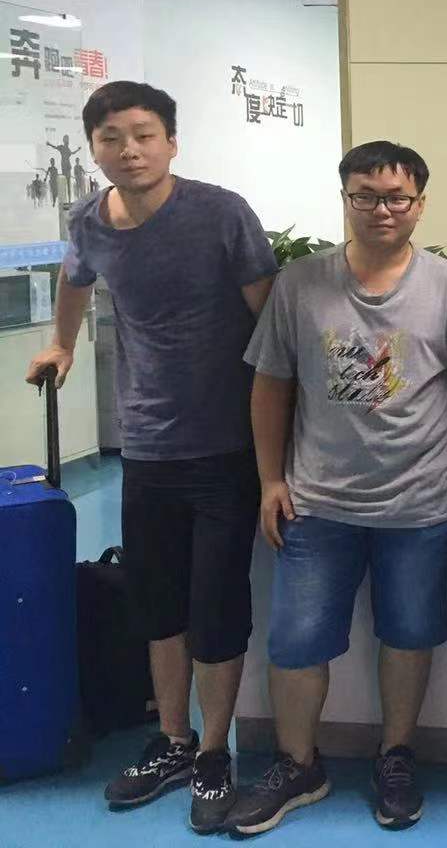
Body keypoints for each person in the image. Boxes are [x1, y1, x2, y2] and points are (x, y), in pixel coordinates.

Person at [24, 80, 277, 834]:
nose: (128, 150)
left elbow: (273, 323)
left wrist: (288, 432)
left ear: (171, 141)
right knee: (158, 606)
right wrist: (62, 343)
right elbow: (75, 277)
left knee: (216, 610)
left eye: (142, 135)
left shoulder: (221, 213)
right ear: (93, 148)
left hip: (226, 445)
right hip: (146, 447)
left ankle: (215, 753)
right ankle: (173, 741)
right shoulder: (88, 220)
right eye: (111, 137)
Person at [228, 141, 447, 836]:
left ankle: (395, 757)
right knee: (297, 641)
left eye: (397, 197)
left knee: (409, 635)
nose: (381, 209)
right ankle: (298, 764)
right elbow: (270, 384)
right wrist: (270, 479)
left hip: (420, 498)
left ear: (420, 205)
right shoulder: (300, 283)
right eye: (364, 196)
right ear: (345, 200)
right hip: (318, 499)